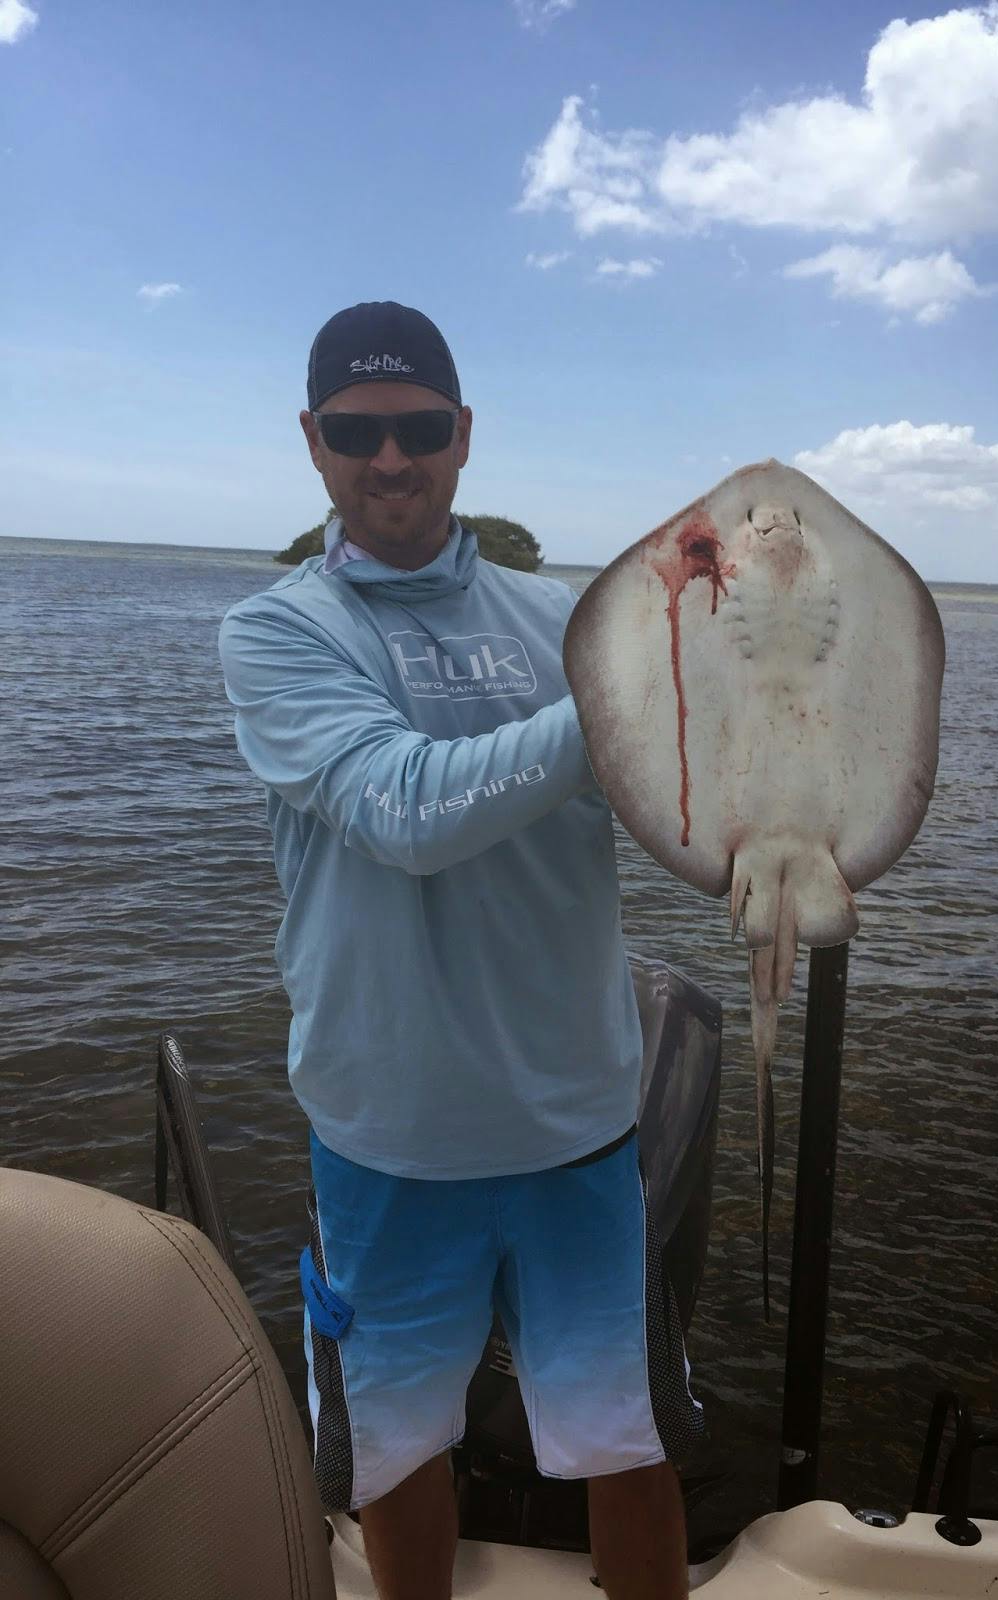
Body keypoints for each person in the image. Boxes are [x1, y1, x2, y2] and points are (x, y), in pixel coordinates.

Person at [218, 302, 704, 1600]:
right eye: (357, 432)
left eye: (420, 428)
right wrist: (617, 706)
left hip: (577, 1127)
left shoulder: (568, 622)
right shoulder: (280, 634)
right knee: (397, 1450)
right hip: (394, 1137)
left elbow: (666, 810)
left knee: (624, 1444)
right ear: (312, 442)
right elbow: (402, 809)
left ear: (465, 435)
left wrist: (778, 792)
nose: (392, 460)